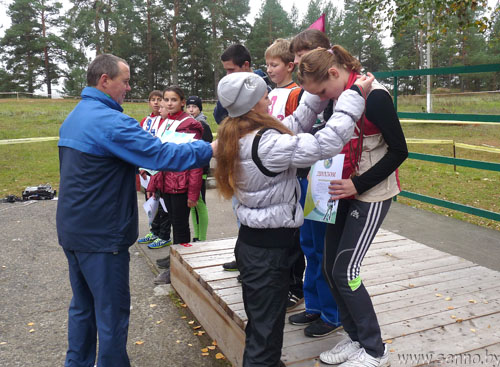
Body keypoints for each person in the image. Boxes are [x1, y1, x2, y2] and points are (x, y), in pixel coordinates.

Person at [57, 53, 214, 367]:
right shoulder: (110, 122)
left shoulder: (76, 115)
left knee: (83, 307)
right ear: (105, 80)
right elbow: (159, 154)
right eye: (125, 81)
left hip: (73, 229)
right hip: (101, 235)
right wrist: (209, 149)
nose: (129, 88)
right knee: (112, 312)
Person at [214, 71, 374, 367]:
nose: (267, 98)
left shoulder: (239, 132)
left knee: (264, 326)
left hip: (256, 245)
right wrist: (353, 95)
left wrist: (316, 92)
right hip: (267, 254)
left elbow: (295, 123)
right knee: (265, 335)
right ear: (251, 104)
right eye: (262, 95)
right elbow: (326, 143)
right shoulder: (265, 144)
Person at [297, 46, 408, 367]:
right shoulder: (338, 97)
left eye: (320, 91)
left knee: (347, 272)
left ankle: (376, 350)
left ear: (334, 73)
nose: (321, 99)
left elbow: (400, 151)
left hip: (370, 194)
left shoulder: (375, 97)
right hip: (341, 190)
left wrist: (358, 184)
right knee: (332, 270)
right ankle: (356, 337)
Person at [287, 28, 343, 338]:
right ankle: (314, 305)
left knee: (324, 249)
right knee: (308, 245)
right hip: (309, 173)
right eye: (295, 57)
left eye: (302, 56)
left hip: (330, 175)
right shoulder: (310, 94)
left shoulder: (343, 92)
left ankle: (332, 313)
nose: (297, 63)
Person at [146, 86, 204, 284]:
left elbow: (195, 159)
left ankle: (179, 269)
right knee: (172, 221)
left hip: (181, 184)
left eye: (173, 100)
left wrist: (193, 193)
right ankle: (175, 257)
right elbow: (160, 157)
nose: (169, 103)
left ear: (182, 102)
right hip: (165, 182)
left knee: (180, 226)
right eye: (166, 99)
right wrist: (154, 183)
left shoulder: (188, 124)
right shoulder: (165, 121)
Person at [265, 38, 306, 311]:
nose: (269, 69)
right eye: (266, 64)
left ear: (290, 66)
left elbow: (296, 129)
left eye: (274, 64)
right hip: (272, 170)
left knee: (293, 234)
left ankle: (296, 286)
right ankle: (278, 280)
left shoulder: (295, 93)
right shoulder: (269, 92)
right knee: (277, 230)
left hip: (291, 168)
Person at [138, 103, 174, 250]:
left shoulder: (170, 125)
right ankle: (155, 231)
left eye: (162, 106)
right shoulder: (150, 122)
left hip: (163, 173)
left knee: (163, 206)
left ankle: (164, 235)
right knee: (152, 202)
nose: (159, 109)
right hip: (151, 171)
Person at [213, 43, 272, 125]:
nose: (228, 74)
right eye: (226, 70)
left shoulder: (265, 89)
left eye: (231, 70)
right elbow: (219, 117)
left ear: (246, 65)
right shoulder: (231, 86)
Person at [186, 95, 213, 242]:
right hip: (190, 169)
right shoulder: (188, 124)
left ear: (199, 108)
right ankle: (196, 235)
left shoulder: (203, 124)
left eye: (194, 107)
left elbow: (207, 146)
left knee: (200, 202)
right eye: (189, 107)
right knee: (193, 205)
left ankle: (201, 237)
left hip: (200, 170)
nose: (191, 110)